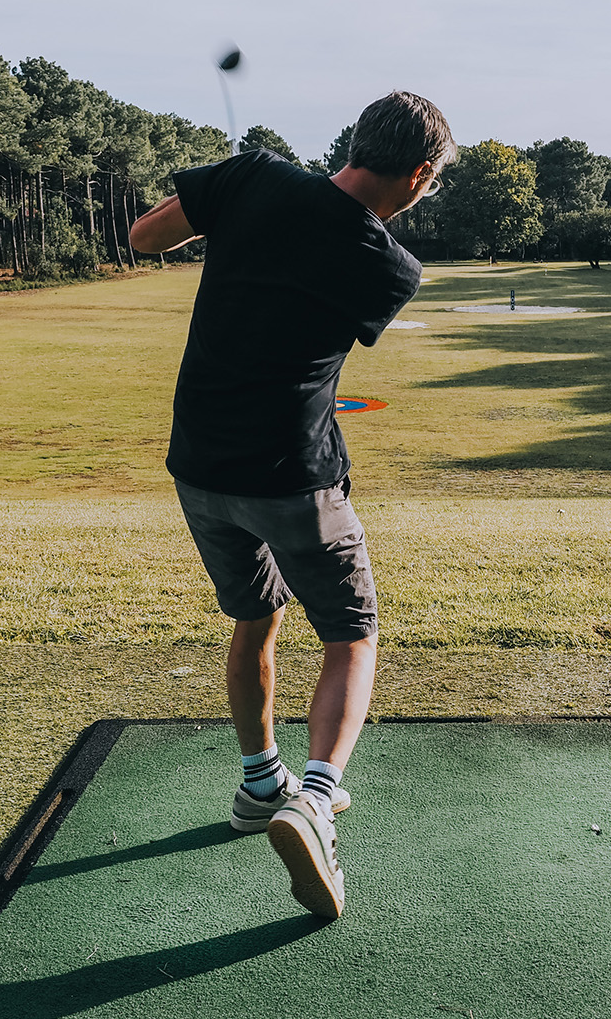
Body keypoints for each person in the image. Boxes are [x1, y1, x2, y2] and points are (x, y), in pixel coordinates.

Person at [129, 91, 453, 920]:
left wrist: (229, 195)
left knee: (256, 617)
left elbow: (146, 236)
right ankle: (312, 799)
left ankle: (256, 783)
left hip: (200, 469)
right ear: (417, 175)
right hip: (295, 479)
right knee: (351, 635)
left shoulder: (255, 177)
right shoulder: (391, 267)